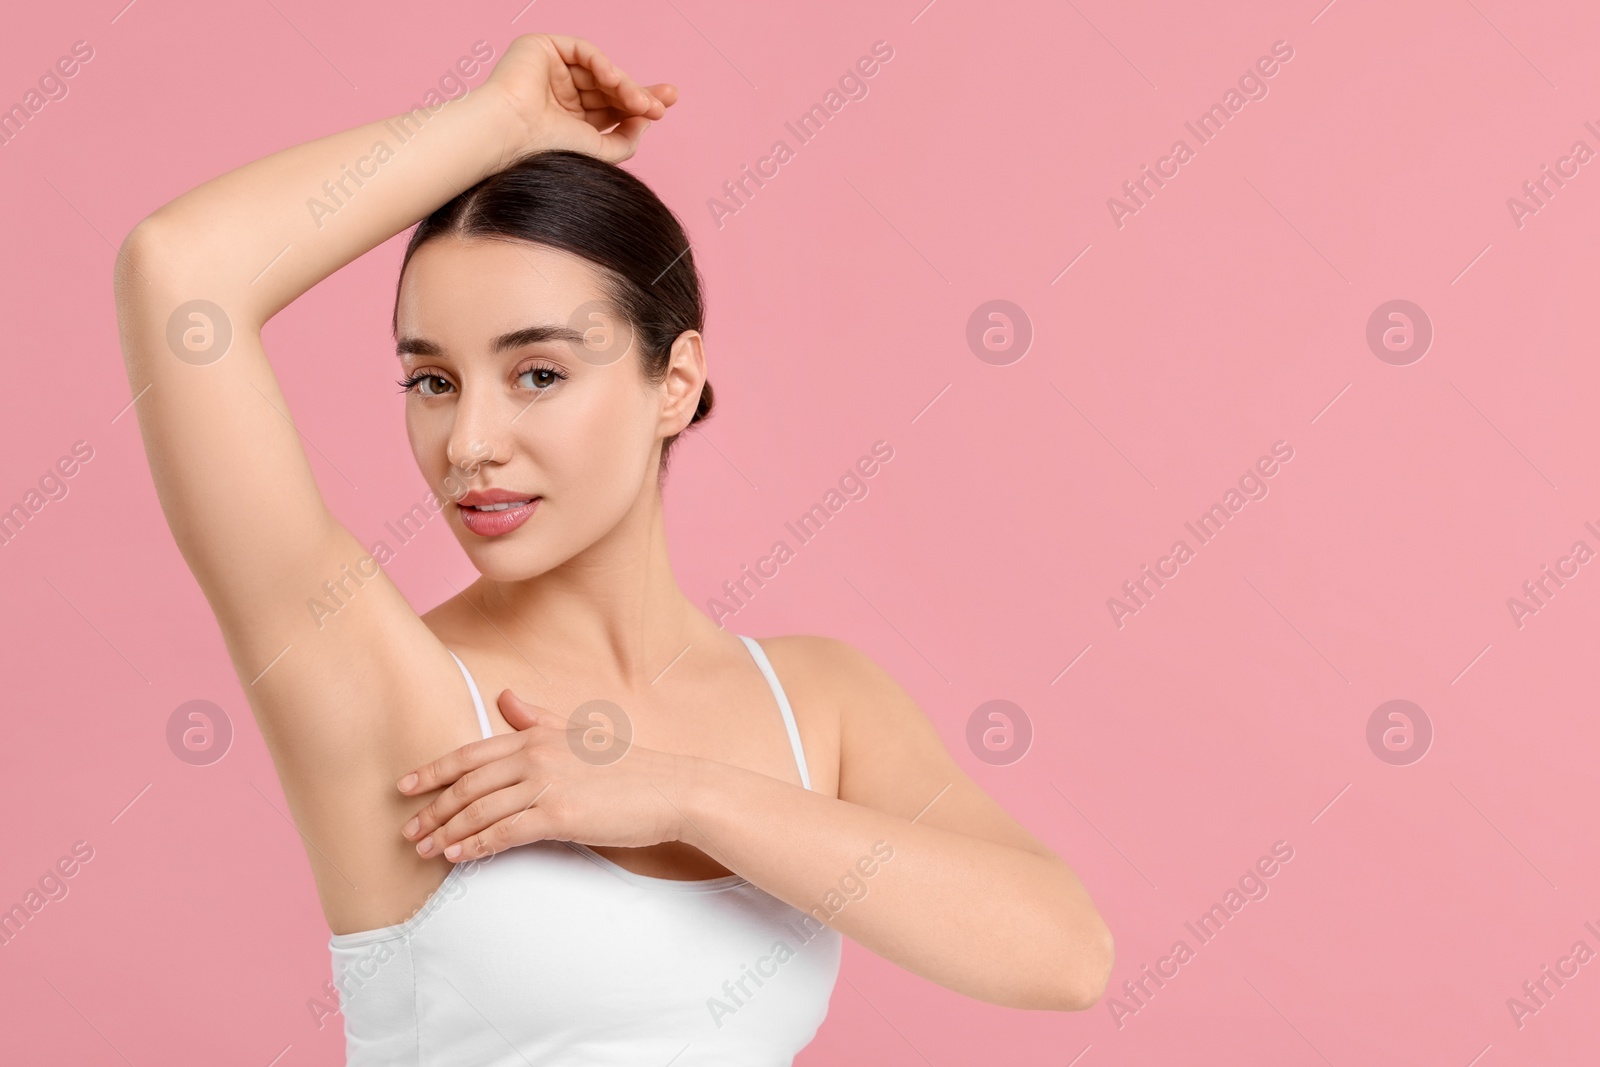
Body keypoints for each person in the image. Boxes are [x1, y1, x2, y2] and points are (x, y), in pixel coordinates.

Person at [112, 32, 1113, 1065]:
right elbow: (178, 271)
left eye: (538, 372)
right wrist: (496, 125)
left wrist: (679, 790)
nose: (469, 443)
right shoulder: (385, 683)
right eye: (432, 379)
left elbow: (1064, 951)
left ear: (672, 382)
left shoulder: (817, 700)